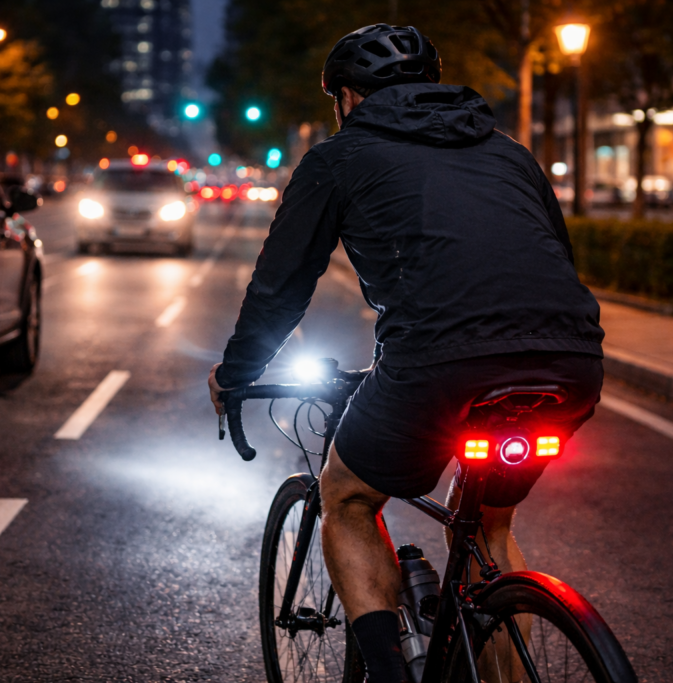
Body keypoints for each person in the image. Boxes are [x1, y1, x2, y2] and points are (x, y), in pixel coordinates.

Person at [208, 23, 604, 683]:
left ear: (347, 98)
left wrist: (238, 373)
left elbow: (280, 287)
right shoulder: (510, 152)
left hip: (437, 365)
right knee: (488, 527)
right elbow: (554, 259)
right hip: (570, 361)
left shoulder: (339, 157)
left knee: (349, 496)